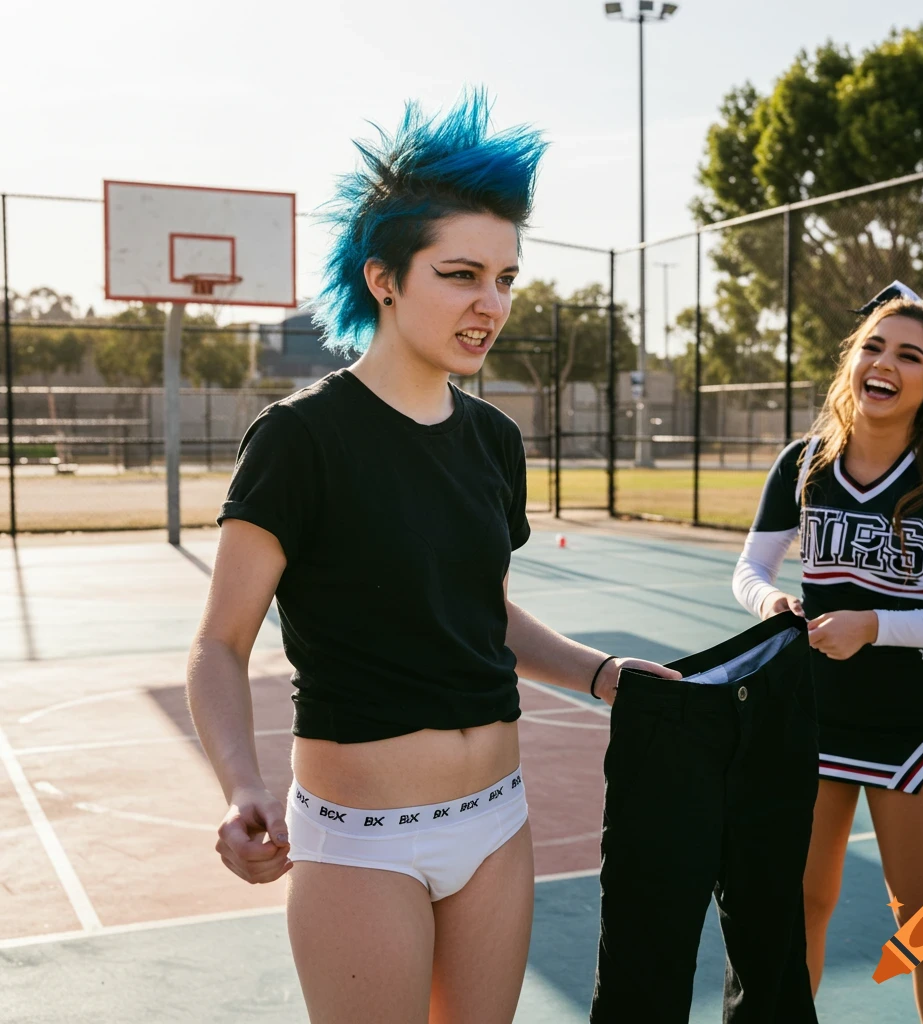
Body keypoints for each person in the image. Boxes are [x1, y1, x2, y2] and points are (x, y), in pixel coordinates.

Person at [185, 90, 679, 1024]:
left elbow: (484, 614)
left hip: (497, 822)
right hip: (359, 842)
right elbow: (218, 644)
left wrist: (605, 674)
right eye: (461, 275)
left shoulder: (493, 440)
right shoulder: (300, 440)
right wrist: (244, 786)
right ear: (383, 278)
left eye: (505, 279)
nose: (489, 304)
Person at [732, 281, 923, 1024]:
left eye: (909, 355)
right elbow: (750, 570)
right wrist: (772, 602)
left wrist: (871, 624)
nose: (885, 364)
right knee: (802, 911)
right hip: (811, 723)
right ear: (853, 360)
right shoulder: (805, 462)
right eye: (873, 347)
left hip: (911, 732)